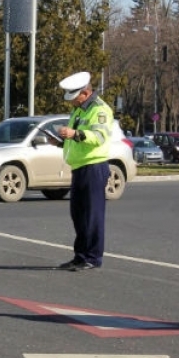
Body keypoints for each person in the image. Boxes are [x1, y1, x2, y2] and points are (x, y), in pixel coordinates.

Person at [54, 71, 113, 271]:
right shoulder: (79, 111)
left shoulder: (100, 110)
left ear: (85, 93)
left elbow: (99, 136)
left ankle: (93, 257)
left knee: (92, 215)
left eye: (75, 97)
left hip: (94, 166)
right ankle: (80, 256)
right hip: (79, 167)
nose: (72, 102)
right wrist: (62, 141)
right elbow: (78, 139)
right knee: (78, 214)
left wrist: (74, 133)